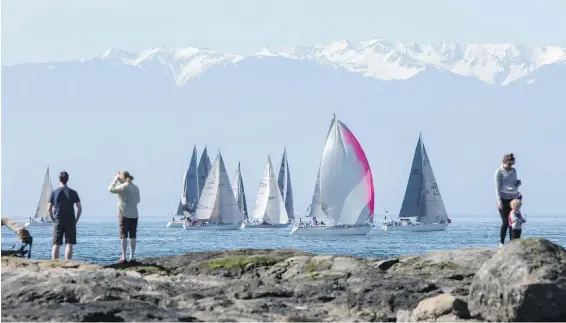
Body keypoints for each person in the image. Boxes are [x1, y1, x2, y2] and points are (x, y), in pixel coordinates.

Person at [47, 171, 82, 260]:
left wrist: (53, 220)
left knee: (56, 244)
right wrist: (76, 220)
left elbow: (49, 208)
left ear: (59, 179)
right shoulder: (73, 192)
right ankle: (68, 263)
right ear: (67, 180)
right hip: (70, 220)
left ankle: (54, 264)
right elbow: (79, 209)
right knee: (69, 243)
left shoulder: (54, 192)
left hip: (58, 219)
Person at [108, 171, 140, 263]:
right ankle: (132, 257)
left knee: (124, 235)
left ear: (121, 178)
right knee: (133, 235)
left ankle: (124, 257)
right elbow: (138, 200)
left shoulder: (124, 187)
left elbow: (110, 189)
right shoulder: (135, 187)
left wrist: (114, 180)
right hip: (134, 214)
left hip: (124, 214)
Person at [494, 153, 522, 246]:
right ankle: (501, 242)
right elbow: (497, 188)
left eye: (512, 164)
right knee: (505, 221)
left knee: (512, 222)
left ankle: (511, 242)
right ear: (504, 162)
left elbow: (514, 184)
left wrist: (517, 183)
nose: (511, 166)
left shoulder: (513, 171)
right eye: (509, 164)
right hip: (503, 199)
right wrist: (499, 201)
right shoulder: (499, 172)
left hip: (513, 199)